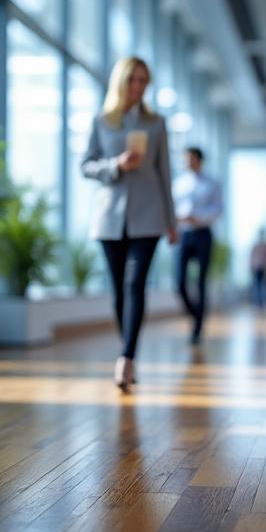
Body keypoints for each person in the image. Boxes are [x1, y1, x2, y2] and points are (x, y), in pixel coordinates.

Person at [81, 56, 177, 392]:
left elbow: (165, 174)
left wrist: (171, 221)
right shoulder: (102, 121)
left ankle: (127, 357)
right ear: (120, 82)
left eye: (143, 81)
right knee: (119, 291)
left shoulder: (156, 124)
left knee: (135, 285)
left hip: (148, 216)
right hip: (109, 218)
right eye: (133, 80)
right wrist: (116, 165)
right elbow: (86, 166)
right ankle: (128, 352)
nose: (138, 86)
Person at [172, 146, 223, 344]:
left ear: (199, 160)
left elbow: (218, 209)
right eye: (185, 159)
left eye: (190, 158)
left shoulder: (212, 183)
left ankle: (198, 327)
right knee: (179, 281)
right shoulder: (179, 183)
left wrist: (198, 218)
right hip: (184, 234)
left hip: (203, 234)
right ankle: (195, 314)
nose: (187, 162)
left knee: (201, 282)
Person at [249, 230, 266, 309]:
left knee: (264, 286)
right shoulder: (256, 245)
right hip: (257, 268)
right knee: (258, 286)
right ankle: (258, 303)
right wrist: (252, 266)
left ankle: (264, 303)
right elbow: (252, 257)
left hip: (264, 268)